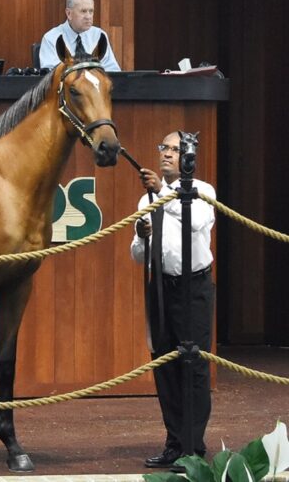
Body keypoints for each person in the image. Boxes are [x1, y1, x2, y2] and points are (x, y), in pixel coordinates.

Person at [130, 132, 216, 470]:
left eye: (174, 149)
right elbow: (138, 256)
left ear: (189, 155)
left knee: (192, 366)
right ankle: (174, 442)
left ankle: (193, 449)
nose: (166, 153)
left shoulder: (202, 191)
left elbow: (195, 221)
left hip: (193, 287)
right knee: (164, 365)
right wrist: (141, 236)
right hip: (161, 287)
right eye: (162, 147)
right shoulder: (146, 201)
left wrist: (161, 192)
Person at [39, 0, 120, 71]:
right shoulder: (51, 38)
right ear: (69, 14)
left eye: (91, 11)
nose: (88, 17)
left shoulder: (99, 35)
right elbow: (51, 75)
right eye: (83, 11)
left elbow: (113, 71)